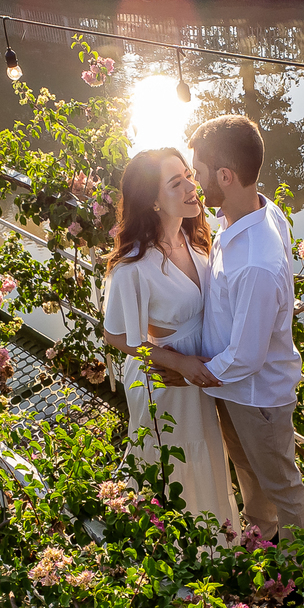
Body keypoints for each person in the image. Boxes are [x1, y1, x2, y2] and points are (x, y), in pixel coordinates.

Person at [102, 147, 239, 536]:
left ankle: (216, 543)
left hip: (203, 369)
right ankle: (173, 551)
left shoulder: (195, 237)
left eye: (189, 176)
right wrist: (179, 363)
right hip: (166, 379)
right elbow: (115, 334)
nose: (192, 188)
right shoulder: (133, 264)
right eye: (176, 183)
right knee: (177, 460)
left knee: (208, 454)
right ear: (154, 200)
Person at [186, 116, 304, 542]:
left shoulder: (257, 263)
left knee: (283, 485)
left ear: (225, 176)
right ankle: (262, 534)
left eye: (199, 173)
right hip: (230, 387)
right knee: (246, 469)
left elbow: (247, 357)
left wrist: (190, 368)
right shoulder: (255, 209)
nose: (194, 183)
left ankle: (298, 579)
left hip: (255, 396)